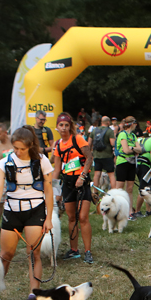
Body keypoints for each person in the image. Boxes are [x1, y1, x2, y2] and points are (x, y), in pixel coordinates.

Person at [0, 127, 54, 288]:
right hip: (12, 210)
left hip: (35, 210)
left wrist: (49, 218)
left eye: (22, 149)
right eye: (15, 148)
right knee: (6, 254)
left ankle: (34, 294)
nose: (18, 152)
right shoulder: (4, 163)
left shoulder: (42, 160)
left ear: (30, 146)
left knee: (33, 253)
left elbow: (48, 190)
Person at [52, 112, 94, 263]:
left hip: (82, 183)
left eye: (66, 125)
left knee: (83, 217)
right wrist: (55, 191)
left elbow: (89, 157)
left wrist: (82, 176)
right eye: (61, 125)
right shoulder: (58, 145)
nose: (63, 128)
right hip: (68, 184)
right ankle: (74, 250)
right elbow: (57, 169)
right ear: (57, 127)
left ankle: (88, 251)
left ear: (70, 126)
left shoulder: (77, 139)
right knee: (71, 217)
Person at [115, 116, 140, 212]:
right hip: (122, 162)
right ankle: (118, 208)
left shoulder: (133, 136)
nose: (136, 125)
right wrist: (133, 150)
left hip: (132, 163)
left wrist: (132, 148)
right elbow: (126, 150)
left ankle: (130, 211)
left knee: (130, 188)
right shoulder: (123, 134)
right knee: (119, 187)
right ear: (131, 124)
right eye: (135, 123)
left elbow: (140, 149)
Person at [133, 133, 151, 217]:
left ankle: (149, 210)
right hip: (145, 165)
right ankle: (137, 211)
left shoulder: (142, 139)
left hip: (138, 164)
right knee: (143, 188)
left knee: (148, 187)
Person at [91, 115, 117, 191]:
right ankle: (114, 191)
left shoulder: (94, 130)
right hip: (107, 156)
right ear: (108, 122)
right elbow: (112, 143)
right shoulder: (109, 131)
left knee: (97, 174)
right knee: (111, 175)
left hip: (97, 155)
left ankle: (95, 192)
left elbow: (89, 143)